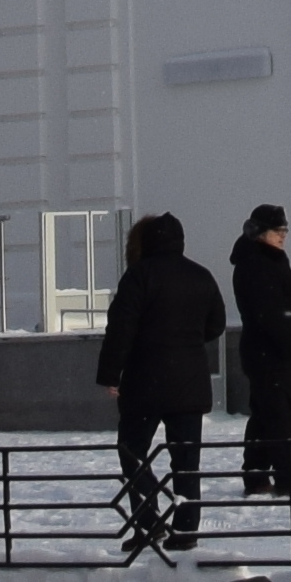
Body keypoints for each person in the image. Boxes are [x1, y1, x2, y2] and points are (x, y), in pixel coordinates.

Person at [93, 210, 226, 553]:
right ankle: (186, 530)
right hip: (190, 383)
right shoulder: (201, 276)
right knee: (186, 461)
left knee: (133, 453)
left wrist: (110, 374)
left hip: (144, 382)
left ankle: (150, 523)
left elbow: (120, 329)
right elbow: (216, 325)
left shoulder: (139, 276)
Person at [229, 203, 291, 496]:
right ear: (260, 232)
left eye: (285, 229)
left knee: (266, 415)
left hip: (270, 351)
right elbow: (271, 313)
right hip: (272, 353)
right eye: (277, 230)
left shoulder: (266, 260)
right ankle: (287, 476)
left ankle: (257, 474)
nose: (283, 235)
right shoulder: (257, 265)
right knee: (280, 415)